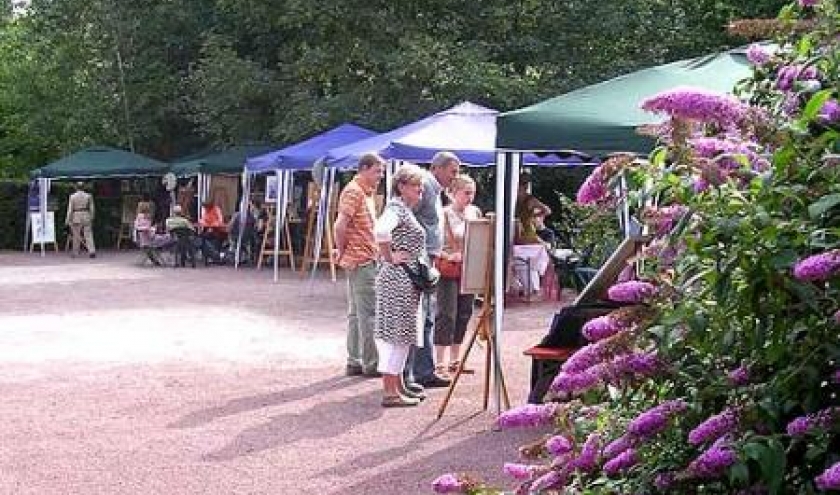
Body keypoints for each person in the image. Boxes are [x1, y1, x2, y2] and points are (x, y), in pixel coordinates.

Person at [373, 163, 428, 407]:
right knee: (397, 334)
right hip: (399, 278)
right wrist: (389, 256)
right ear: (402, 186)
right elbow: (381, 230)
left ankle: (397, 386)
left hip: (402, 278)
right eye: (416, 186)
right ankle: (390, 392)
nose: (420, 191)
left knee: (400, 333)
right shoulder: (396, 208)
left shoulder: (402, 209)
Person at [410, 151, 461, 388]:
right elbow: (406, 214)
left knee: (427, 316)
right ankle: (419, 372)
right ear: (436, 168)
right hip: (420, 261)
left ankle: (422, 370)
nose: (455, 176)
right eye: (453, 171)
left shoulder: (434, 189)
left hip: (426, 260)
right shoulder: (427, 188)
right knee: (423, 317)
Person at [334, 153, 384, 378]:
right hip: (361, 260)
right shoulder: (355, 191)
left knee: (356, 313)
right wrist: (342, 251)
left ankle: (354, 360)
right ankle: (370, 362)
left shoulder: (364, 192)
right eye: (377, 171)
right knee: (368, 314)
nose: (380, 176)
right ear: (364, 169)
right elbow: (339, 225)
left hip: (360, 258)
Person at [434, 174, 481, 376]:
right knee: (446, 313)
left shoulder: (475, 212)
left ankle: (456, 358)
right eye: (466, 193)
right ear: (453, 193)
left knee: (464, 312)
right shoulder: (443, 214)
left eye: (472, 193)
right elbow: (433, 244)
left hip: (468, 269)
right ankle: (439, 362)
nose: (470, 197)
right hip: (449, 267)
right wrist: (448, 255)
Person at [515, 171, 553, 246]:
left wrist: (534, 215)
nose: (525, 186)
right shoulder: (513, 198)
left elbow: (548, 211)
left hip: (527, 233)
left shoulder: (530, 200)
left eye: (525, 184)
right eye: (524, 183)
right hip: (517, 231)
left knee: (544, 247)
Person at [65, 182, 96, 258]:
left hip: (76, 215)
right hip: (86, 214)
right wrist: (92, 216)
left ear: (76, 187)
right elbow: (92, 208)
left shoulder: (72, 196)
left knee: (76, 235)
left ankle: (75, 252)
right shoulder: (88, 196)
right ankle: (91, 251)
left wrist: (67, 219)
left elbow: (70, 209)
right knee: (88, 234)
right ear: (84, 187)